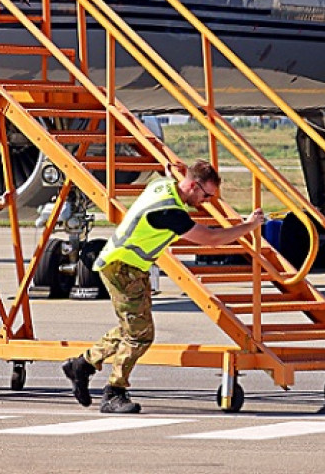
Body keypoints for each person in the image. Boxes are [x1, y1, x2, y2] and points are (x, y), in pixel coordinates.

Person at [62, 159, 265, 413]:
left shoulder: (164, 186)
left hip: (132, 267)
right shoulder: (169, 213)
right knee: (140, 335)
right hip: (121, 267)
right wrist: (249, 225)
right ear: (193, 186)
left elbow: (169, 177)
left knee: (133, 328)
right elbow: (211, 239)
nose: (207, 201)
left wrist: (172, 170)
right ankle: (113, 392)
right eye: (206, 195)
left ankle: (82, 365)